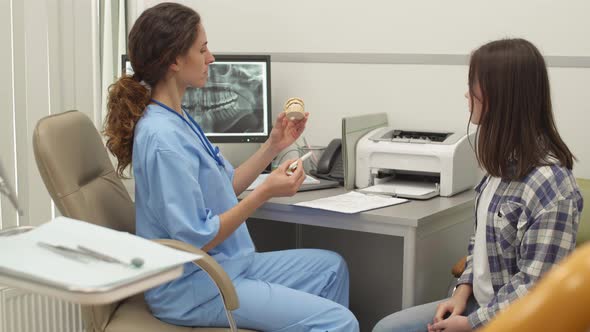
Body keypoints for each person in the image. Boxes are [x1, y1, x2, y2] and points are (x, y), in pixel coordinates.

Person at [103, 3, 359, 331]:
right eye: (203, 49)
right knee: (340, 322)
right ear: (174, 60)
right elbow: (197, 237)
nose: (211, 58)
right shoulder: (162, 139)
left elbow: (227, 184)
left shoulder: (178, 118)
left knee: (331, 269)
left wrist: (273, 145)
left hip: (228, 265)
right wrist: (265, 192)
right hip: (194, 288)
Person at [373, 38, 584, 332]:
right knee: (388, 327)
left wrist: (472, 324)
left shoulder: (551, 186)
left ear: (502, 95)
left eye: (473, 83)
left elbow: (535, 290)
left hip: (516, 321)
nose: (466, 93)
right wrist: (462, 290)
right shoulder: (499, 168)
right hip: (479, 306)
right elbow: (481, 247)